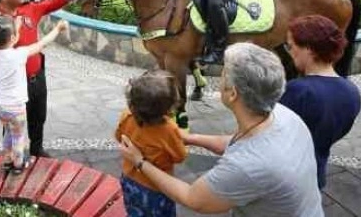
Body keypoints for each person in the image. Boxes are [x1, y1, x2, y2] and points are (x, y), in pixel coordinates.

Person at [119, 43, 323, 216]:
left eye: (224, 73)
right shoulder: (281, 114)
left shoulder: (246, 166)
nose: (220, 77)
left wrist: (139, 161)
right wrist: (189, 138)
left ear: (233, 93)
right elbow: (238, 142)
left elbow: (192, 198)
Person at [0, 0, 69, 157]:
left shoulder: (30, 9)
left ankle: (37, 149)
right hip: (13, 89)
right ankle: (13, 159)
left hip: (36, 77)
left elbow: (57, 1)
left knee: (38, 117)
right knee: (13, 126)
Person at [280, 15, 361, 189]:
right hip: (316, 176)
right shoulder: (352, 92)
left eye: (291, 46)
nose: (289, 52)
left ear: (309, 49)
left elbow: (269, 135)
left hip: (286, 179)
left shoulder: (298, 91)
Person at [0, 15, 68, 173]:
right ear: (12, 38)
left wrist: (16, 26)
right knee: (19, 137)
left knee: (9, 133)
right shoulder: (17, 55)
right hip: (15, 108)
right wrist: (57, 29)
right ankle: (18, 165)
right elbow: (41, 44)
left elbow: (8, 38)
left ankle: (7, 160)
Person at [114, 70, 187, 217]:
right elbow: (180, 156)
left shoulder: (127, 115)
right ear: (169, 107)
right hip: (157, 187)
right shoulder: (169, 130)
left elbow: (118, 136)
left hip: (129, 179)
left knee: (134, 210)